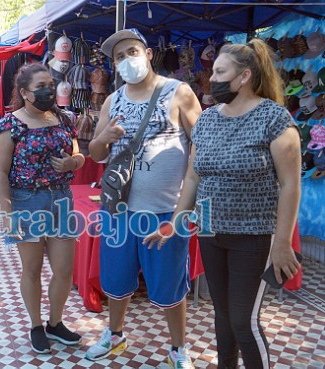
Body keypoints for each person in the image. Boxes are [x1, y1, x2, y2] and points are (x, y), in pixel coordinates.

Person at [144, 39, 301, 369]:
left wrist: (283, 243)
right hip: (211, 232)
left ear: (244, 76)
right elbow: (193, 177)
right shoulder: (207, 119)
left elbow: (290, 185)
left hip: (255, 235)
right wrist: (175, 221)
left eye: (219, 71)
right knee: (224, 314)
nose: (211, 78)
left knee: (244, 322)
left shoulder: (275, 119)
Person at [86, 28, 201, 367]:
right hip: (119, 210)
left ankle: (178, 348)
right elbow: (95, 152)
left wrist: (186, 205)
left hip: (165, 211)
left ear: (148, 54)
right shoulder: (113, 100)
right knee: (116, 281)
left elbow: (200, 143)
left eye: (131, 52)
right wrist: (104, 136)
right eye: (119, 57)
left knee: (169, 287)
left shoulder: (178, 92)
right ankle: (115, 335)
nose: (126, 60)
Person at [0, 63, 86, 354]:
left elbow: (79, 154)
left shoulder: (63, 117)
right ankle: (36, 325)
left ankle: (55, 323)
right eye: (41, 87)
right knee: (32, 269)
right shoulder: (11, 124)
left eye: (50, 85)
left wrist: (73, 163)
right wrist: (6, 211)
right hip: (26, 202)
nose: (48, 91)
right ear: (24, 92)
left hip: (61, 200)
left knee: (64, 270)